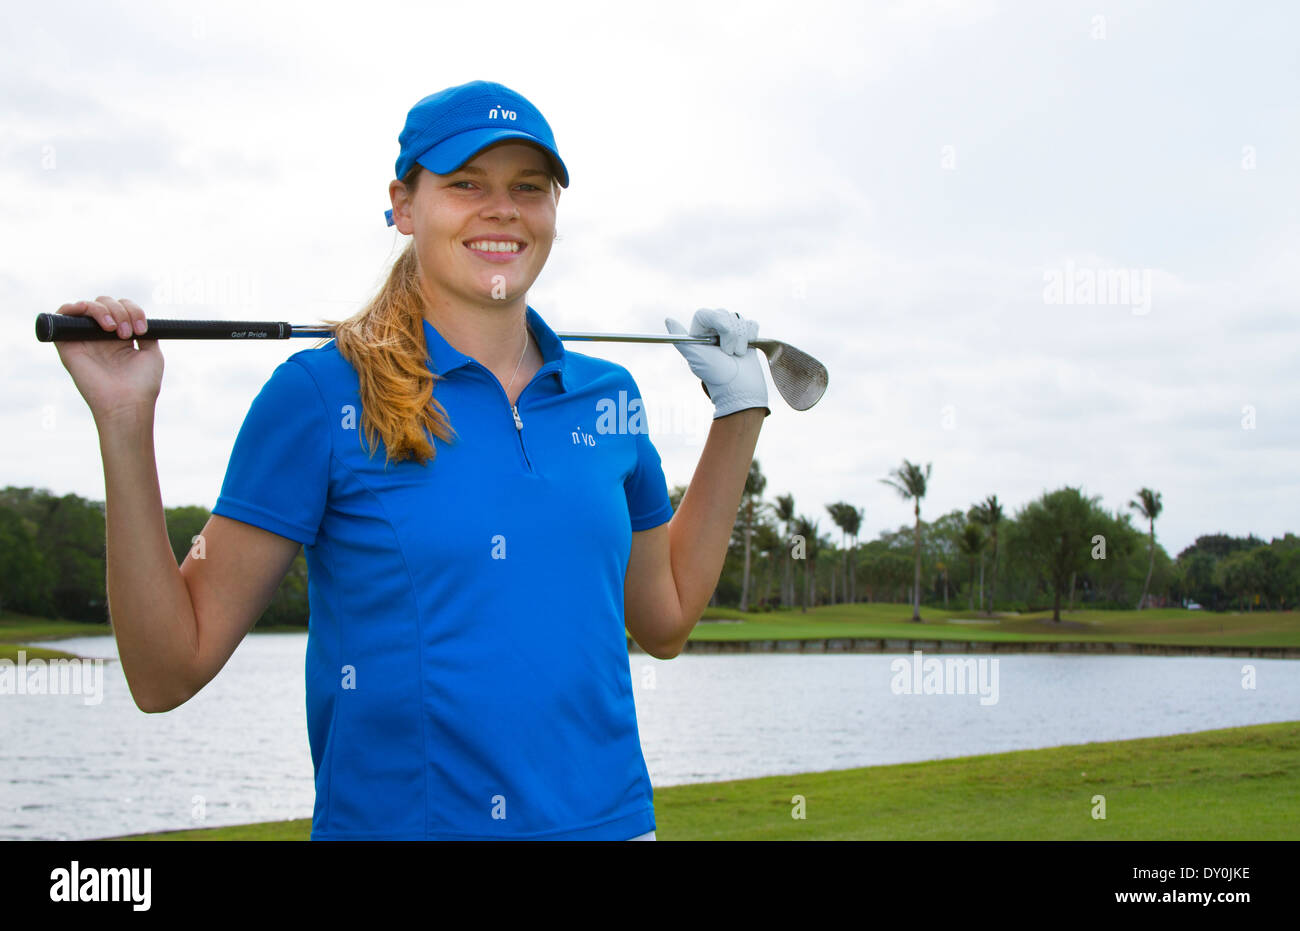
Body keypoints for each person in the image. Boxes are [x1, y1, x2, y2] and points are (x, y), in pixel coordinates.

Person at [53, 79, 769, 841]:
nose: (502, 208)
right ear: (403, 204)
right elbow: (167, 671)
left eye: (528, 187)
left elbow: (664, 621)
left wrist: (737, 417)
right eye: (466, 183)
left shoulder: (608, 397)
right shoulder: (320, 393)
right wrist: (125, 424)